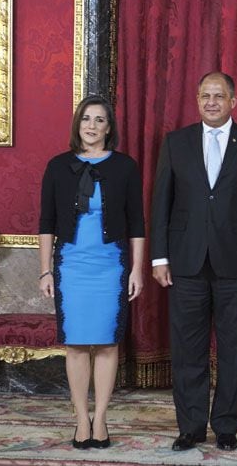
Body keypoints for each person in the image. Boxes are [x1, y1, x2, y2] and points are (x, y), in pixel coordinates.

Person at [150, 72, 237, 452]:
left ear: (233, 101)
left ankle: (226, 425)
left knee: (233, 349)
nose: (211, 102)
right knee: (188, 350)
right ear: (197, 99)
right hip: (185, 263)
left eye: (218, 96)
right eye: (204, 95)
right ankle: (190, 426)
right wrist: (159, 257)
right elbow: (161, 204)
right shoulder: (176, 143)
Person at [39, 95, 145, 450]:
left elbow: (137, 225)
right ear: (77, 124)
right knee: (76, 345)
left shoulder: (125, 167)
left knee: (106, 343)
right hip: (71, 266)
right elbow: (46, 224)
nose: (92, 126)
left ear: (109, 127)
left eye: (100, 120)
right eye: (87, 119)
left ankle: (101, 418)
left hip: (110, 266)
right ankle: (80, 417)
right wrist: (44, 272)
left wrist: (137, 271)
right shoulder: (57, 167)